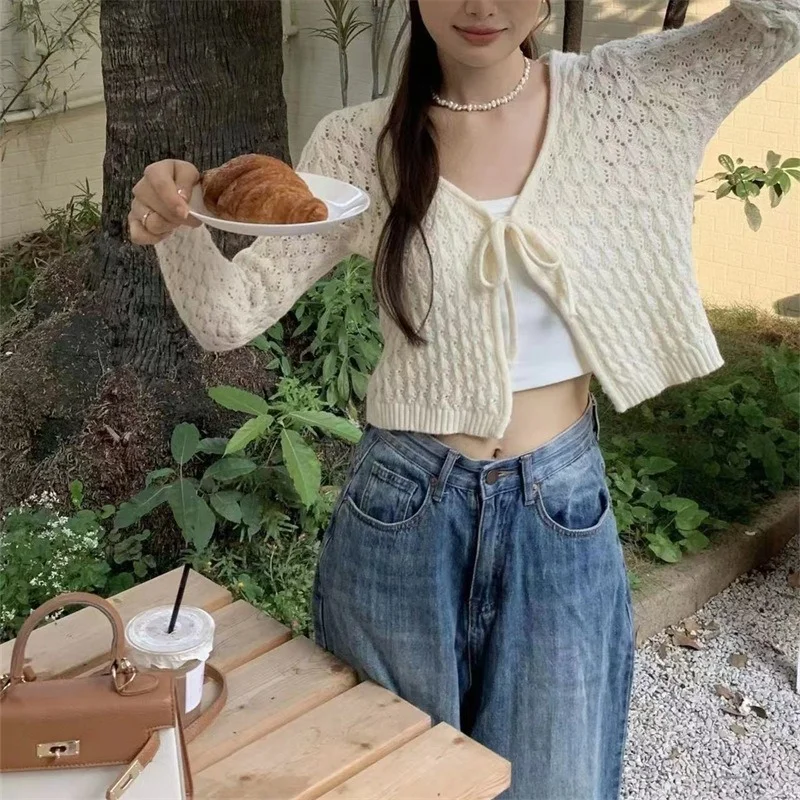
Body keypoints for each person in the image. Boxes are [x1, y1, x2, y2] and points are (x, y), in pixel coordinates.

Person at [128, 1, 799, 797]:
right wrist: (176, 223)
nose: (481, 5)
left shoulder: (625, 92)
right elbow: (227, 316)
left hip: (560, 513)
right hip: (401, 514)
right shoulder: (358, 142)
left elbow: (776, 21)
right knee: (396, 783)